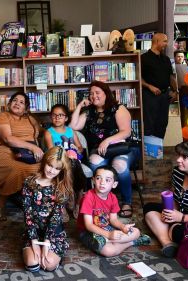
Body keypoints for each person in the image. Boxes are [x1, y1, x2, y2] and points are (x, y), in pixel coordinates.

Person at [70, 80, 139, 218]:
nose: (93, 96)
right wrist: (79, 106)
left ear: (106, 93)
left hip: (123, 148)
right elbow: (73, 127)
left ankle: (126, 202)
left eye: (97, 92)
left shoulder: (118, 108)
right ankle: (104, 199)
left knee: (119, 165)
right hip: (102, 151)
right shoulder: (89, 112)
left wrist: (107, 140)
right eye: (91, 94)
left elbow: (126, 132)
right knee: (95, 163)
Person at [0, 92, 43, 221]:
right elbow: (8, 139)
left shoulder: (30, 119)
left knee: (45, 168)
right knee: (18, 168)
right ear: (9, 104)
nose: (17, 103)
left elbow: (40, 132)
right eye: (14, 100)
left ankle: (40, 204)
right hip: (4, 152)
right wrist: (33, 147)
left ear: (26, 108)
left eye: (21, 102)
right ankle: (0, 202)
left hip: (27, 154)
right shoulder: (3, 116)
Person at [78, 166, 151, 257]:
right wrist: (108, 234)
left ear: (114, 184)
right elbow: (88, 225)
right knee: (109, 251)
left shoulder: (113, 198)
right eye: (98, 178)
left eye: (107, 180)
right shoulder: (88, 197)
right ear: (93, 180)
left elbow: (113, 220)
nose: (102, 182)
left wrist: (123, 227)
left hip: (106, 228)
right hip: (87, 232)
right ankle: (131, 242)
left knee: (136, 232)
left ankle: (116, 241)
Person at [22, 147, 73, 272]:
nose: (52, 171)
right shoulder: (30, 182)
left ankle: (56, 255)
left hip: (53, 233)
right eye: (50, 165)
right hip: (33, 231)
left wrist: (46, 243)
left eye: (57, 168)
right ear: (44, 162)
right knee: (33, 265)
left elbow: (56, 218)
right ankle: (28, 249)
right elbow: (27, 213)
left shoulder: (61, 187)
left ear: (62, 170)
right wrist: (34, 241)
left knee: (48, 265)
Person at [44, 103, 86, 217]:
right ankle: (64, 204)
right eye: (54, 115)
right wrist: (64, 154)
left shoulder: (70, 131)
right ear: (51, 117)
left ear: (66, 118)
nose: (57, 118)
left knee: (74, 165)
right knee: (70, 166)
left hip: (74, 160)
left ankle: (77, 203)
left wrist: (76, 149)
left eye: (61, 115)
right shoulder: (49, 132)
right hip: (58, 161)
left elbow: (81, 148)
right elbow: (51, 151)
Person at [140, 32, 178, 138]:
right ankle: (148, 152)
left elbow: (171, 77)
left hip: (165, 95)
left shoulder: (166, 59)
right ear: (156, 41)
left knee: (162, 123)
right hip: (149, 96)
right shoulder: (143, 58)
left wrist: (175, 91)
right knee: (149, 124)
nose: (166, 44)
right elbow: (139, 78)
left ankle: (158, 149)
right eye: (165, 41)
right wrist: (149, 86)